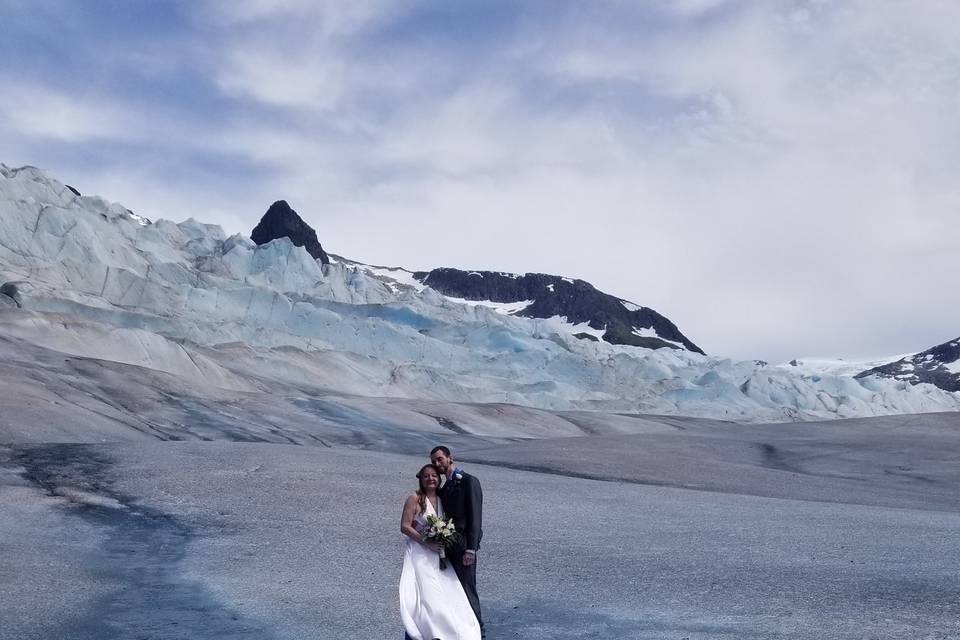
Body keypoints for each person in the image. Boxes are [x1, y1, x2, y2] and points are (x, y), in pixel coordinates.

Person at [399, 463, 481, 640]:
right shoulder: (414, 498)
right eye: (426, 476)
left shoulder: (443, 497)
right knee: (424, 594)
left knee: (447, 591)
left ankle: (449, 631)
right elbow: (405, 526)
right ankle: (423, 632)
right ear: (420, 479)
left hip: (440, 552)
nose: (430, 479)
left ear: (439, 478)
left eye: (434, 475)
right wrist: (426, 542)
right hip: (420, 551)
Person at [430, 446, 484, 639]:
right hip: (449, 547)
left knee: (468, 589)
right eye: (434, 461)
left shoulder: (469, 481)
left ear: (450, 458)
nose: (437, 464)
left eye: (440, 459)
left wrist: (471, 549)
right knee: (453, 591)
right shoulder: (444, 488)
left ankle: (480, 631)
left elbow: (475, 517)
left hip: (464, 547)